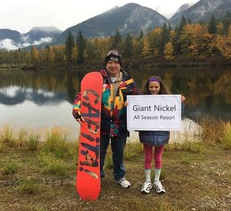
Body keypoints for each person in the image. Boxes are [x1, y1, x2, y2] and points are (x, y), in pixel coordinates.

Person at [72, 49, 138, 189]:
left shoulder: (128, 81)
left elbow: (138, 100)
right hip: (99, 125)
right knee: (98, 154)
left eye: (116, 63)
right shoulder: (97, 78)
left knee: (119, 154)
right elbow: (81, 95)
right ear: (106, 64)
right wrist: (77, 110)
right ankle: (97, 177)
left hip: (120, 125)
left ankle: (119, 177)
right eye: (110, 63)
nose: (113, 66)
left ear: (120, 65)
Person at [139, 76, 186, 194]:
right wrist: (127, 105)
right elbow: (135, 114)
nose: (153, 89)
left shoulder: (167, 100)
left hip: (162, 134)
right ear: (147, 87)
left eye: (156, 87)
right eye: (151, 87)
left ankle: (156, 180)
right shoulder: (141, 100)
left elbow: (176, 114)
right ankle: (147, 181)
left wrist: (180, 103)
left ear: (160, 87)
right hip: (147, 134)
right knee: (148, 158)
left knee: (158, 158)